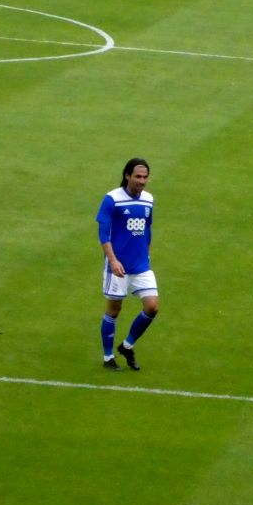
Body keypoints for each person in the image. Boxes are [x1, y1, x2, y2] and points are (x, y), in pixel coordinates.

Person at [97, 158, 159, 371]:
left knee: (152, 307)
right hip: (118, 267)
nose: (142, 181)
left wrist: (147, 254)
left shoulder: (149, 200)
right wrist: (113, 260)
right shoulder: (112, 199)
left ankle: (127, 345)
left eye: (145, 177)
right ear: (127, 176)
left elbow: (147, 228)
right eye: (138, 177)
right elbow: (103, 233)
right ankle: (108, 358)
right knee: (114, 310)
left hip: (141, 265)